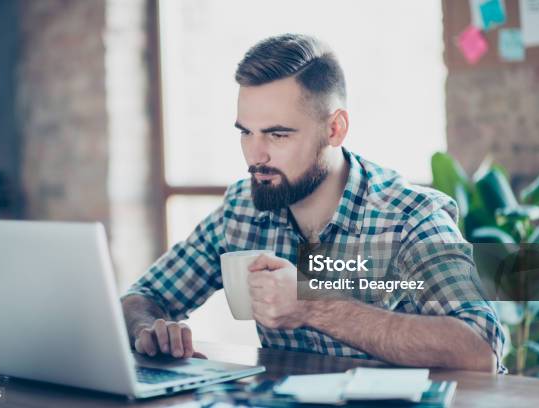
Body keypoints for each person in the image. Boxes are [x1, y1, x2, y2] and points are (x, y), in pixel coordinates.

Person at [121, 34, 504, 372]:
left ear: (334, 129)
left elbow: (481, 348)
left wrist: (312, 304)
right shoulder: (242, 207)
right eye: (246, 133)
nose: (255, 155)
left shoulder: (410, 216)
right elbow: (141, 298)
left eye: (278, 135)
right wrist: (148, 329)